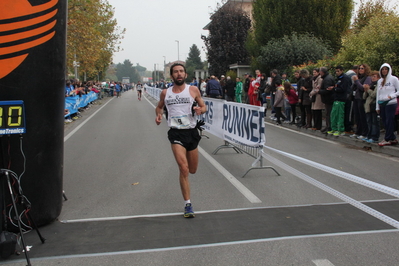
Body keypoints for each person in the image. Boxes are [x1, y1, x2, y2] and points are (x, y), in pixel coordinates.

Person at [155, 63, 207, 218]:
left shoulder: (193, 90)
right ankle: (188, 205)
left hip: (191, 132)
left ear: (185, 74)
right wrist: (158, 115)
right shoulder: (166, 93)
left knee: (192, 170)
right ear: (171, 76)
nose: (179, 74)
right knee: (183, 169)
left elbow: (204, 106)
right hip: (176, 133)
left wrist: (200, 109)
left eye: (181, 71)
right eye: (176, 72)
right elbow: (159, 107)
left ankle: (187, 200)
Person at [376, 63, 399, 146]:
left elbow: (398, 91)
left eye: (386, 69)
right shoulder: (380, 81)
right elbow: (378, 94)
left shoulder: (394, 79)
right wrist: (377, 106)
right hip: (382, 103)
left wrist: (391, 96)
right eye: (383, 69)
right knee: (385, 121)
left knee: (389, 121)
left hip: (391, 103)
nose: (384, 71)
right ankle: (392, 138)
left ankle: (387, 138)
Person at [328, 66, 351, 136]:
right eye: (336, 71)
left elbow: (343, 89)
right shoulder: (338, 79)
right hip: (336, 98)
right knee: (333, 115)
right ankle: (334, 128)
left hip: (342, 99)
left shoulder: (345, 78)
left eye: (338, 71)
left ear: (342, 70)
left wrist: (334, 89)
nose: (337, 73)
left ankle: (340, 129)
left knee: (340, 115)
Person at [351, 64, 372, 140]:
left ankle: (364, 132)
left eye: (362, 68)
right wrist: (355, 81)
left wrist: (356, 81)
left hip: (362, 99)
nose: (360, 70)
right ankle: (358, 131)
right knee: (357, 116)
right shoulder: (359, 77)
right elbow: (353, 87)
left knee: (362, 116)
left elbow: (363, 88)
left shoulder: (368, 78)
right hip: (356, 98)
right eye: (359, 68)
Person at [363, 71, 380, 143]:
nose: (372, 78)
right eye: (372, 76)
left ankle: (374, 137)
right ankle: (369, 135)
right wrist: (366, 90)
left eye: (374, 76)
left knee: (374, 122)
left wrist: (368, 90)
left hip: (373, 106)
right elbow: (364, 97)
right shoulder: (371, 84)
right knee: (369, 122)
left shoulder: (378, 85)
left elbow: (374, 94)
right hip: (368, 106)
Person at [318, 67, 336, 133]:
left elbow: (327, 90)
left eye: (320, 72)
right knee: (328, 113)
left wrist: (319, 91)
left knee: (329, 113)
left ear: (322, 72)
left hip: (329, 99)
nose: (319, 73)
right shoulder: (327, 78)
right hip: (328, 99)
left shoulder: (327, 79)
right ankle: (328, 126)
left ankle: (329, 127)